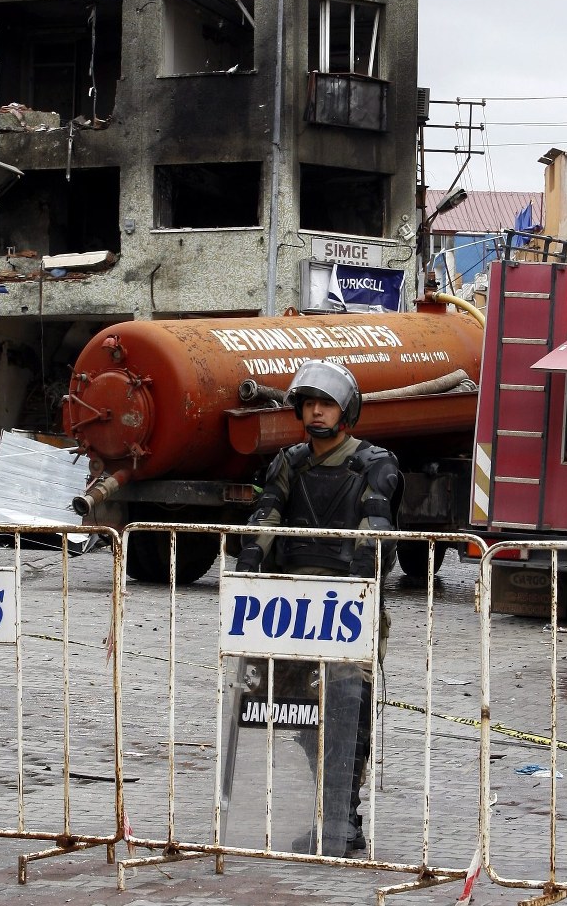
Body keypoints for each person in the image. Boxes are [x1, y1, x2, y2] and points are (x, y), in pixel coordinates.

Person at [236, 359, 401, 857]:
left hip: (347, 609)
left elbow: (376, 531)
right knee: (304, 716)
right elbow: (266, 518)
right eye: (309, 404)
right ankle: (330, 816)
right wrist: (247, 564)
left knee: (348, 710)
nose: (316, 412)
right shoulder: (290, 462)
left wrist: (356, 586)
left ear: (345, 410)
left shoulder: (374, 463)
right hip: (290, 609)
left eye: (326, 404)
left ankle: (343, 822)